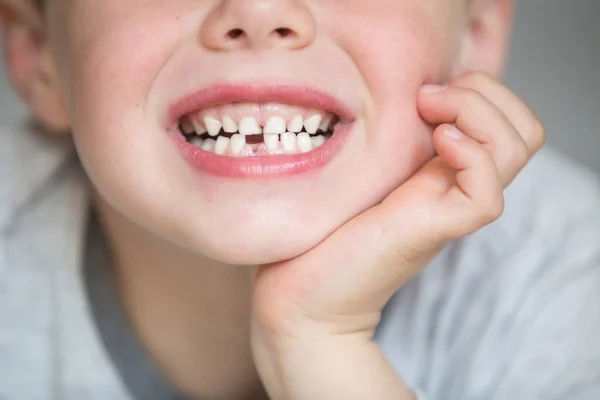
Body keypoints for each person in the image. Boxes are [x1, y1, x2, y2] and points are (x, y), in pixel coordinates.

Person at [0, 0, 598, 399]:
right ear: (39, 52)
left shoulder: (567, 285)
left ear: (475, 34)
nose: (259, 11)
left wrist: (318, 340)